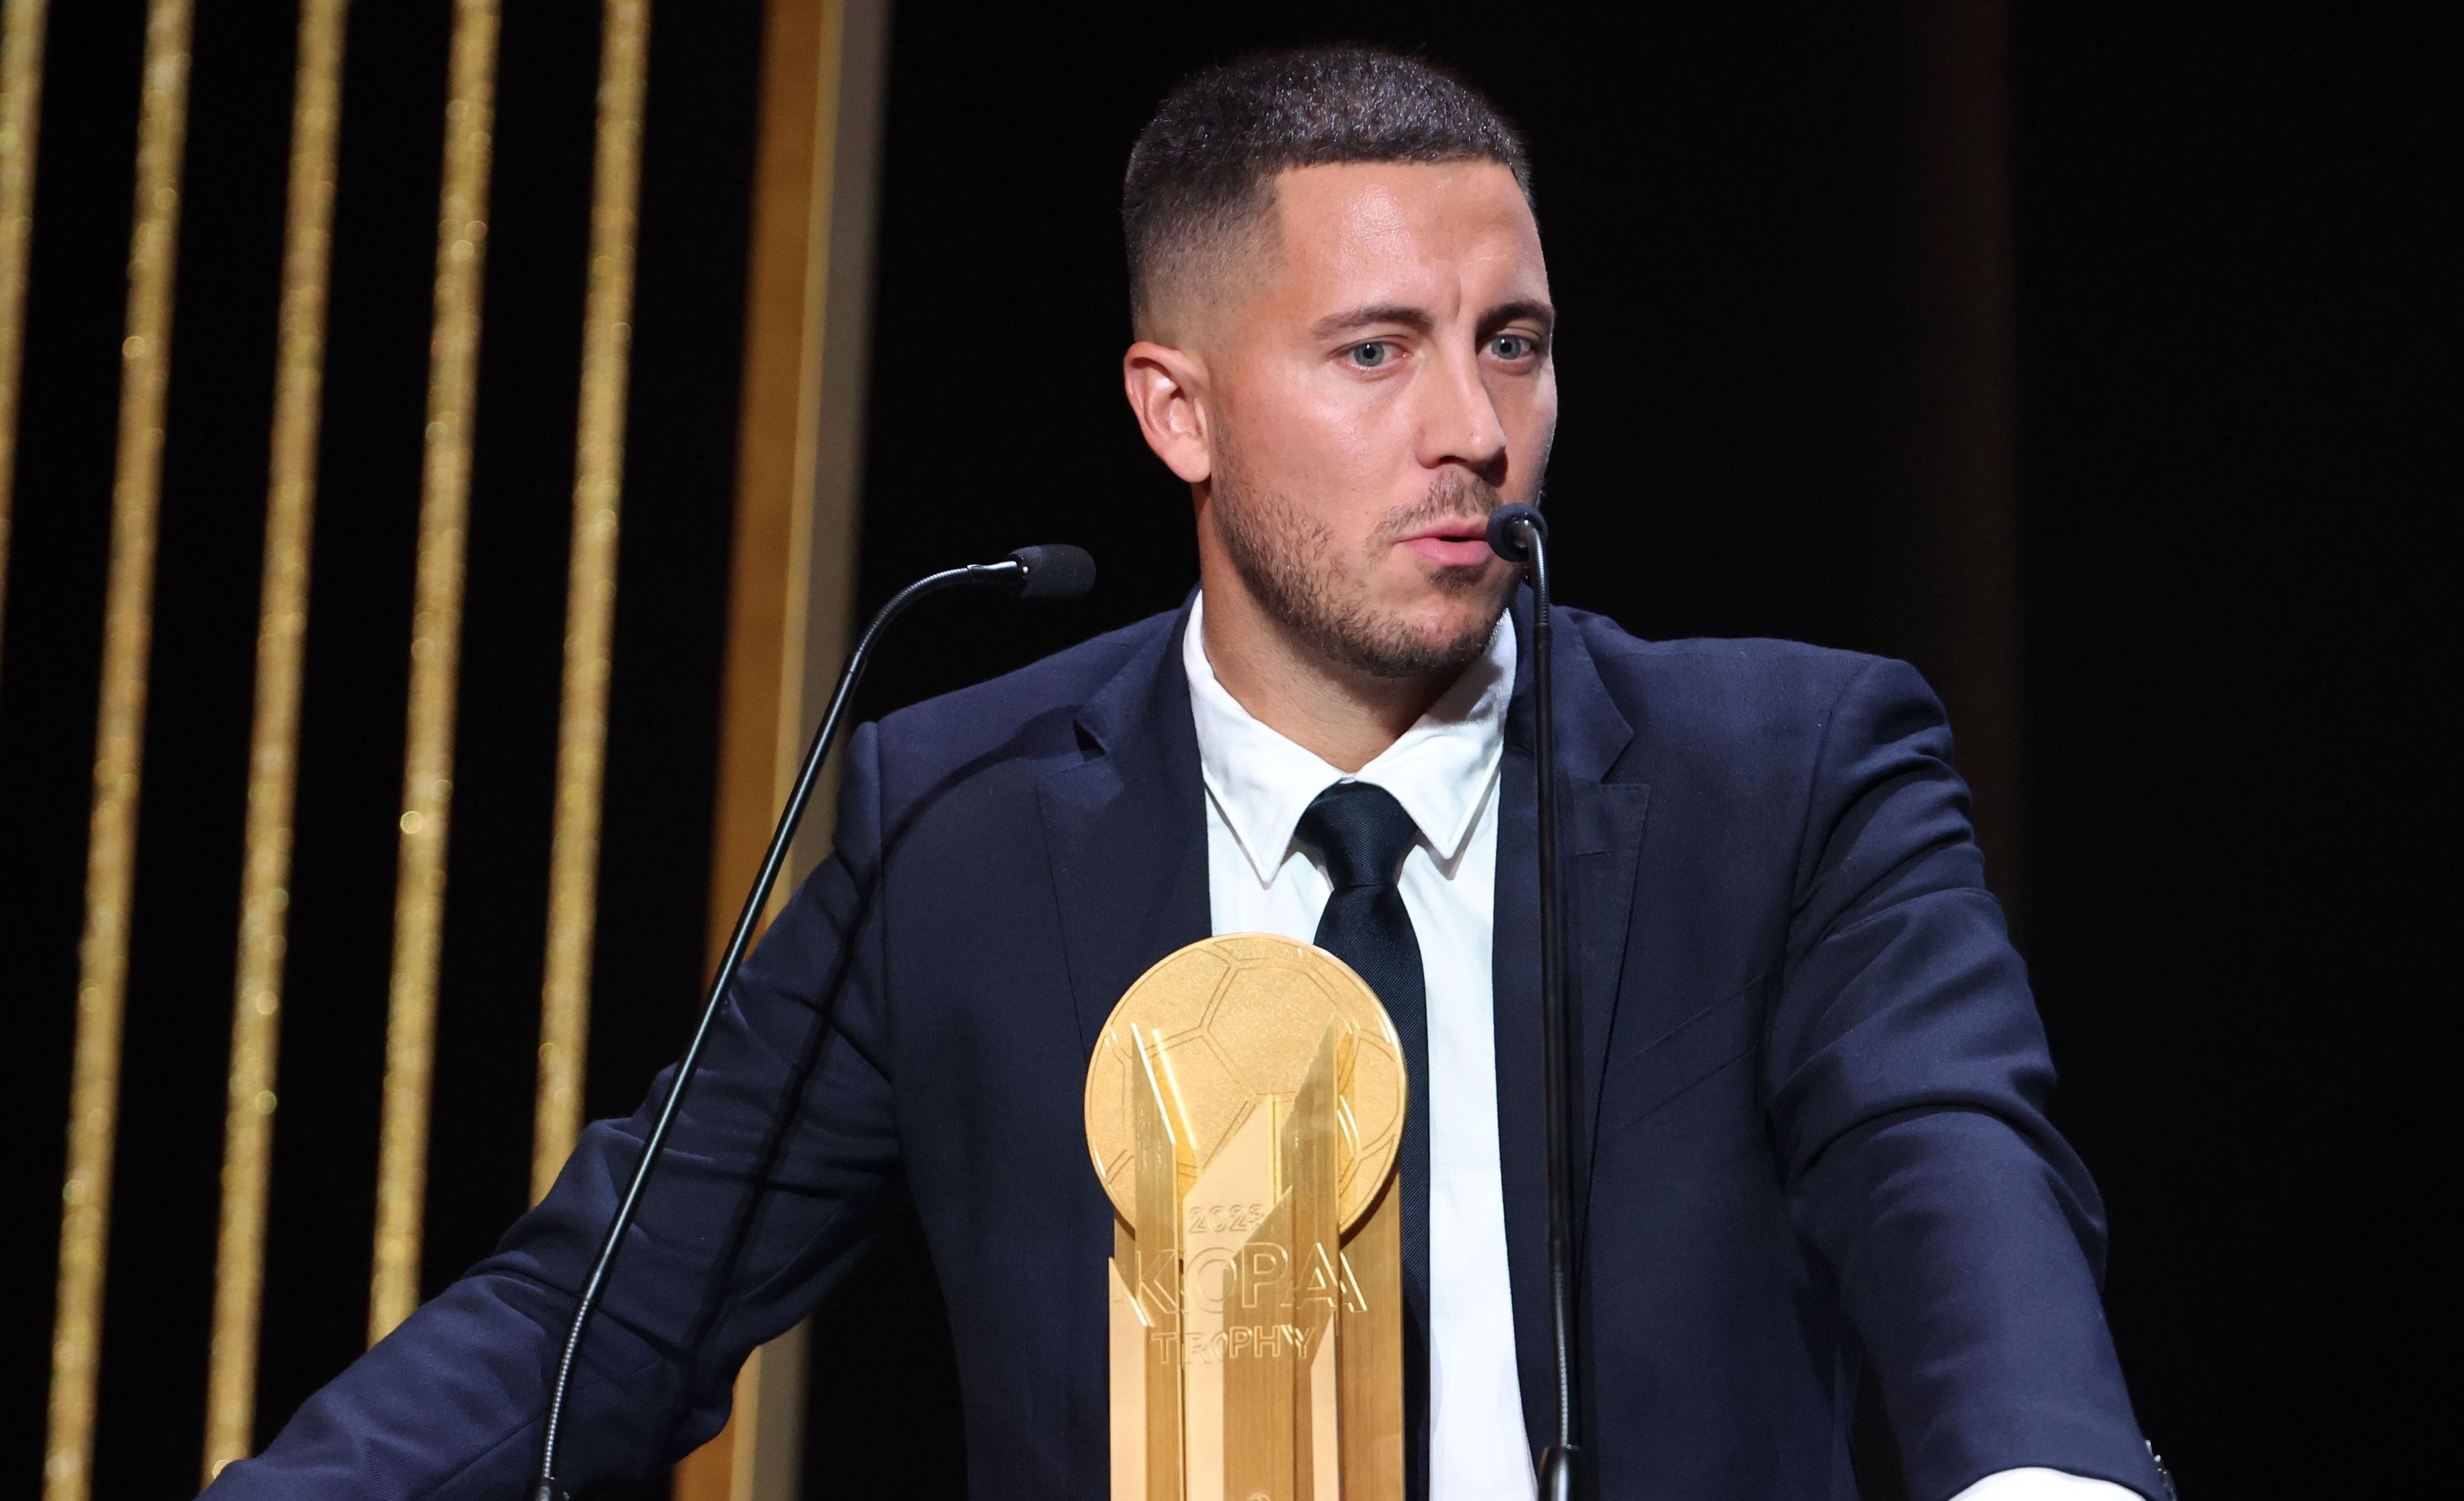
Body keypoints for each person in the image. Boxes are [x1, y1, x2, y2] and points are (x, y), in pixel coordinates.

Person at [209, 48, 2166, 1501]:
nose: (1475, 429)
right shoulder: (958, 824)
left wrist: (2042, 1478)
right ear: (1180, 411)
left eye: (1513, 343)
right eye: (1377, 353)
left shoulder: (1790, 778)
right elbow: (604, 1315)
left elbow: (1948, 1165)